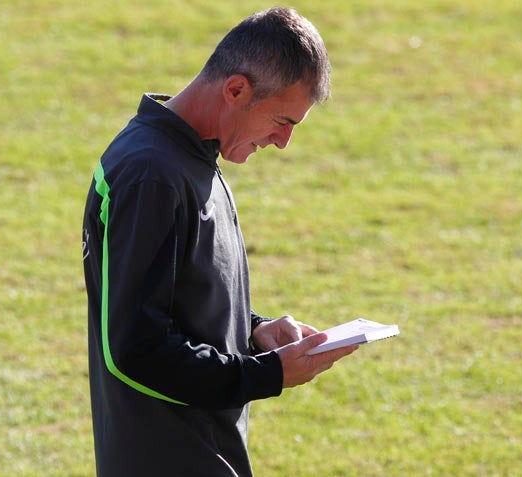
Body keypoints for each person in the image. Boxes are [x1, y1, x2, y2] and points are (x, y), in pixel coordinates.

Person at [82, 7, 358, 477]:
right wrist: (268, 374)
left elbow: (179, 297)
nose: (283, 142)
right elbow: (136, 348)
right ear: (236, 90)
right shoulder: (153, 176)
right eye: (282, 120)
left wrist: (255, 330)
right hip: (167, 459)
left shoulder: (188, 158)